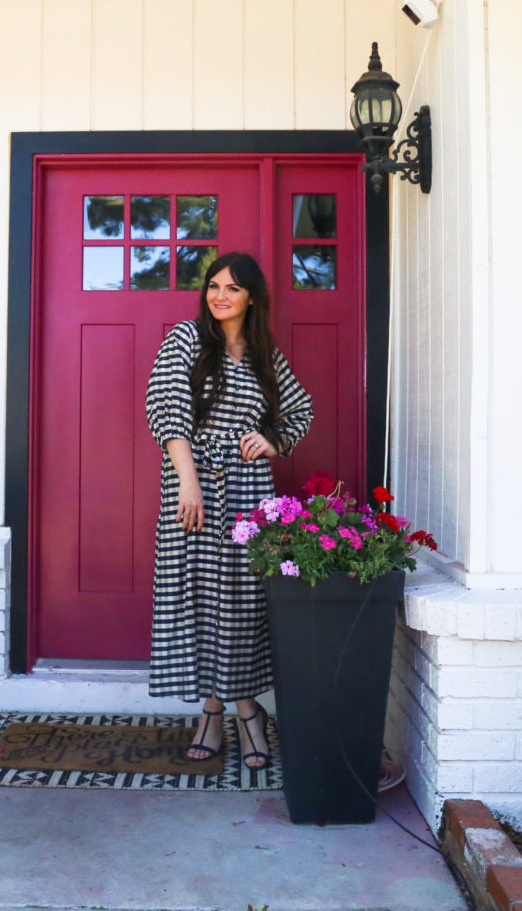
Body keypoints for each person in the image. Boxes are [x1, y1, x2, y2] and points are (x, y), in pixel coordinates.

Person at [144, 251, 313, 771]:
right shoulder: (187, 340)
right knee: (197, 596)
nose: (220, 295)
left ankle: (237, 709)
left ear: (252, 297)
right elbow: (166, 407)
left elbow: (300, 411)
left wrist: (272, 440)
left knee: (239, 602)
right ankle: (222, 712)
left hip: (247, 490)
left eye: (232, 288)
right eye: (214, 285)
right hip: (191, 482)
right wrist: (188, 484)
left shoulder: (265, 355)